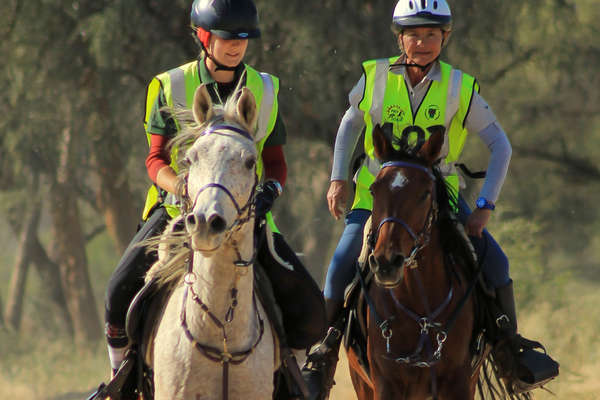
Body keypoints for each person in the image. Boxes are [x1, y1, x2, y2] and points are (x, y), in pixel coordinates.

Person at [303, 0, 554, 397]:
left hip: (439, 198)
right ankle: (322, 355)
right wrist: (338, 180)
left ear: (445, 37)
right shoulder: (376, 76)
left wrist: (485, 206)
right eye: (413, 34)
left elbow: (500, 146)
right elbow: (349, 125)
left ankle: (510, 351)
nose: (421, 42)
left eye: (431, 34)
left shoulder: (459, 85)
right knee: (340, 265)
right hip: (378, 196)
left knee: (496, 262)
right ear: (400, 37)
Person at [103, 0, 289, 377]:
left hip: (244, 217)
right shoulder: (170, 84)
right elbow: (154, 159)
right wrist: (181, 186)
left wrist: (271, 191)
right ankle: (120, 380)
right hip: (176, 213)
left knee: (306, 299)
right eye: (225, 36)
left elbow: (276, 162)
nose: (236, 45)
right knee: (117, 292)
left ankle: (299, 379)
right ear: (204, 37)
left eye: (243, 37)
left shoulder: (265, 89)